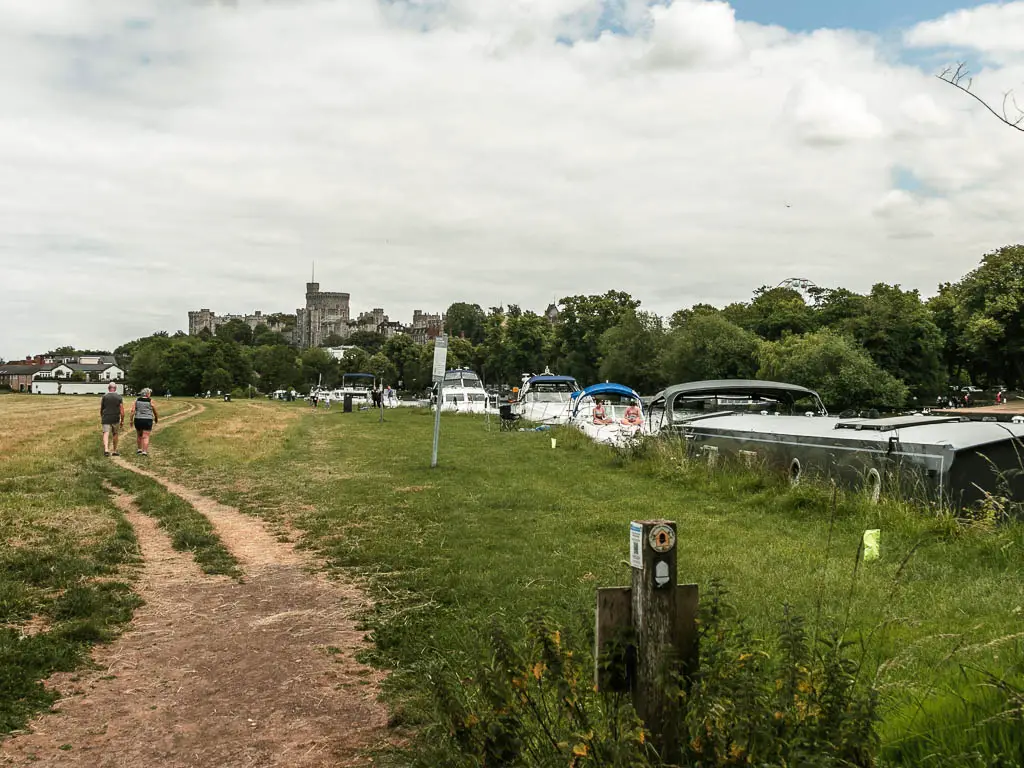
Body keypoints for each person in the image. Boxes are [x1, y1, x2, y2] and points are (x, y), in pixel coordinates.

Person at [131, 387, 159, 456]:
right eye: (149, 393)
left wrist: (131, 420)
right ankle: (144, 451)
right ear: (147, 394)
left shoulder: (136, 400)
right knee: (146, 436)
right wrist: (156, 418)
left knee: (139, 435)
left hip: (138, 419)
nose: (150, 395)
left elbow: (132, 411)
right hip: (147, 420)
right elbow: (154, 411)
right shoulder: (150, 401)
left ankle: (139, 449)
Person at [100, 382, 124, 457]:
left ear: (108, 388)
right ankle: (114, 450)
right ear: (115, 388)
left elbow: (102, 408)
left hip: (106, 416)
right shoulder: (119, 397)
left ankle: (106, 450)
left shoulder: (104, 397)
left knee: (106, 433)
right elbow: (122, 410)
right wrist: (122, 420)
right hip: (115, 417)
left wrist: (102, 415)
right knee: (115, 433)